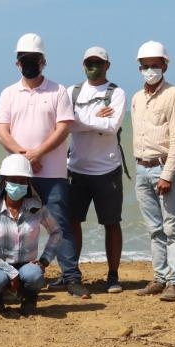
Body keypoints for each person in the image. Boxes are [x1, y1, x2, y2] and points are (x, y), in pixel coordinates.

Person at [0, 33, 77, 294]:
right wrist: (25, 158)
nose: (30, 63)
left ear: (44, 61)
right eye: (25, 59)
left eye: (34, 59)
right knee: (8, 223)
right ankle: (9, 275)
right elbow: (2, 132)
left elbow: (63, 128)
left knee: (59, 224)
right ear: (17, 63)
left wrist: (38, 154)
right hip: (16, 174)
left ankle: (70, 277)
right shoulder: (8, 93)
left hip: (52, 172)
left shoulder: (58, 91)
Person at [129, 40, 175, 301]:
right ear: (139, 68)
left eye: (155, 65)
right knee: (154, 228)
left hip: (164, 168)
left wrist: (167, 174)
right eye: (146, 66)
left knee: (171, 227)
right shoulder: (136, 98)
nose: (150, 70)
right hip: (142, 168)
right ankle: (160, 276)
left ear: (165, 65)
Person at [0, 154, 60, 317]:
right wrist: (11, 272)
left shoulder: (37, 208)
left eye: (22, 180)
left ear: (28, 183)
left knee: (35, 275)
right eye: (13, 180)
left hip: (27, 265)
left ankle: (29, 300)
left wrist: (45, 260)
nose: (18, 184)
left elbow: (56, 232)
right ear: (4, 181)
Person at [66, 46, 127, 294]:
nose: (93, 67)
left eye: (98, 62)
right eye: (89, 62)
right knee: (72, 222)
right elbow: (66, 124)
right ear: (83, 65)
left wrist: (80, 118)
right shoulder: (72, 91)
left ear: (107, 65)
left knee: (111, 223)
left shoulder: (117, 92)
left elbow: (112, 126)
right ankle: (73, 273)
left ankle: (113, 275)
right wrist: (96, 118)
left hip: (107, 169)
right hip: (76, 168)